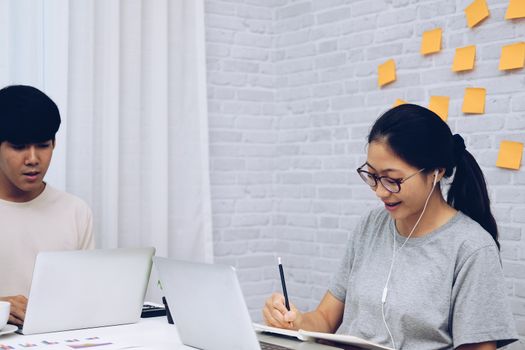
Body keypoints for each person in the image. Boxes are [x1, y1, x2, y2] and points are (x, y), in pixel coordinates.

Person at [263, 104, 518, 350]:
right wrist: (294, 320)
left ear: (436, 171)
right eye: (372, 176)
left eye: (393, 179)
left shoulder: (472, 248)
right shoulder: (370, 226)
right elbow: (325, 320)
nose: (380, 191)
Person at [0, 85, 94, 326]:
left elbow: (86, 295)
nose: (32, 159)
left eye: (43, 145)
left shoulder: (75, 211)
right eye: (19, 146)